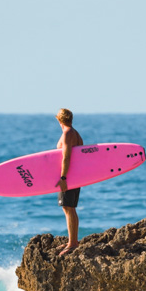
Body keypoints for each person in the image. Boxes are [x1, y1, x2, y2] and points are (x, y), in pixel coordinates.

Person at [54, 108, 83, 256]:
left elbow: (66, 157)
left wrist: (63, 178)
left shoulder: (67, 134)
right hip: (75, 175)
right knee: (69, 207)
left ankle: (73, 244)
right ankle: (73, 241)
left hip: (69, 177)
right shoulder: (75, 133)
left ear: (59, 120)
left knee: (68, 207)